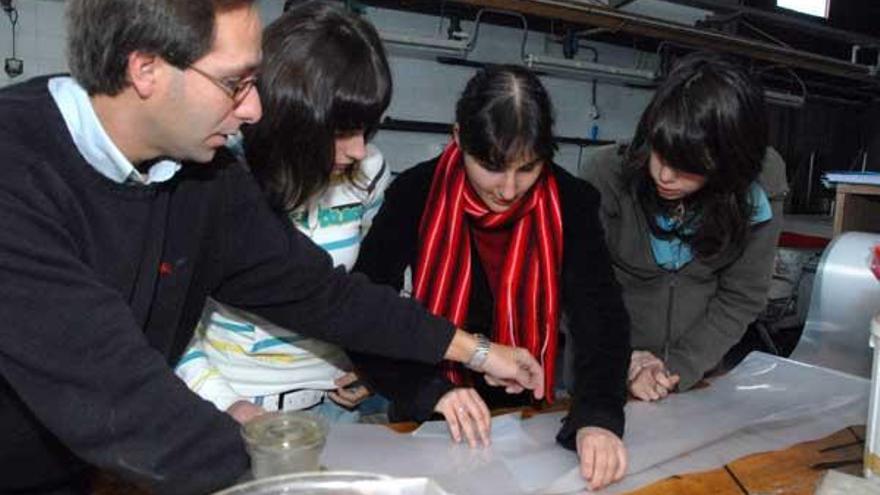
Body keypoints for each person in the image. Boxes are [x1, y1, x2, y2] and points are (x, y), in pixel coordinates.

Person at [0, 1, 544, 494]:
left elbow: (323, 294)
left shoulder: (203, 178)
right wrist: (294, 479)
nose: (255, 109)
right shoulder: (15, 172)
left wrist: (474, 351)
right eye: (235, 83)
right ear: (146, 70)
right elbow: (119, 395)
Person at [353, 65, 631, 491]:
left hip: (529, 417)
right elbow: (368, 311)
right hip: (430, 409)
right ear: (459, 136)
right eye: (492, 167)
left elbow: (601, 319)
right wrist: (428, 391)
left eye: (528, 168)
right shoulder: (415, 193)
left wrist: (598, 416)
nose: (508, 189)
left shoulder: (572, 203)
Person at [175, 1, 393, 423]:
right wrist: (228, 404)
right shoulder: (215, 176)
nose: (360, 149)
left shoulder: (368, 171)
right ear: (292, 121)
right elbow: (170, 321)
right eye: (342, 132)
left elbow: (359, 292)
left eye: (367, 129)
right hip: (228, 408)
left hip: (335, 410)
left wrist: (372, 366)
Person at [582, 53, 788, 402]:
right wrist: (624, 361)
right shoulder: (606, 177)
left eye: (688, 166)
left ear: (730, 164)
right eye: (659, 153)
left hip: (697, 378)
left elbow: (741, 296)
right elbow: (578, 291)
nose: (664, 176)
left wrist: (675, 367)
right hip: (602, 370)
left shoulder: (759, 184)